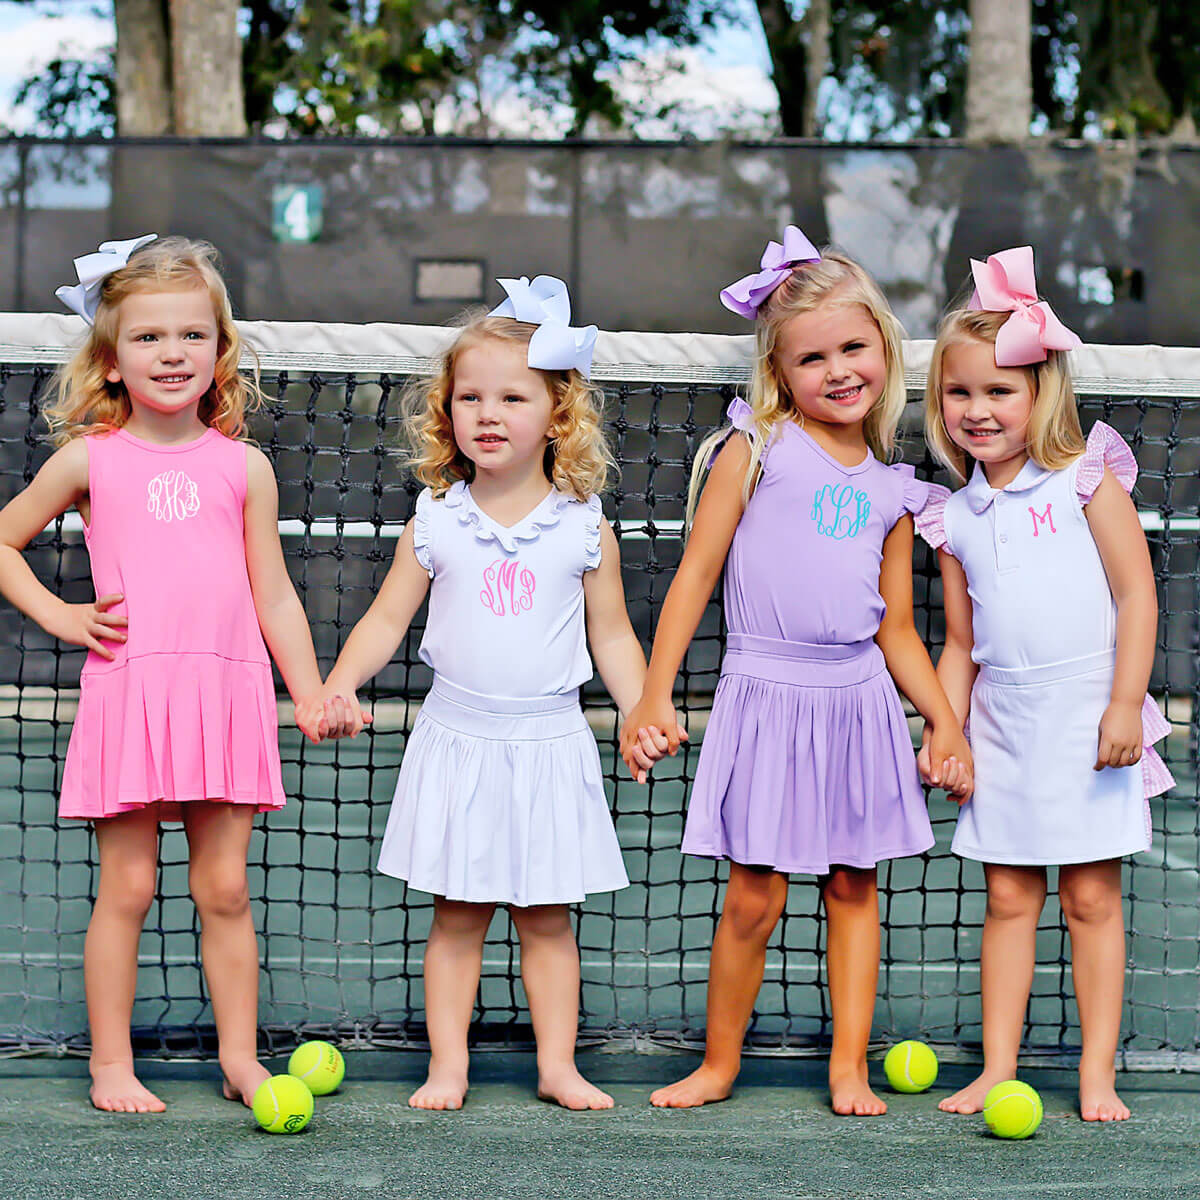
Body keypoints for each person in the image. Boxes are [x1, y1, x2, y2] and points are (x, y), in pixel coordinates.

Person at [620, 227, 972, 1114]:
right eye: (812, 358)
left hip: (858, 704)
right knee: (754, 897)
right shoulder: (757, 449)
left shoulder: (895, 489)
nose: (838, 370)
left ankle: (848, 1068)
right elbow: (695, 576)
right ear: (779, 372)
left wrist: (944, 720)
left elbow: (897, 629)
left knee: (854, 888)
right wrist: (654, 693)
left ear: (883, 349)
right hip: (764, 699)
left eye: (853, 348)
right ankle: (719, 1064)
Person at [319, 276, 672, 1111]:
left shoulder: (584, 525)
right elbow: (384, 620)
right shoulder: (435, 519)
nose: (488, 413)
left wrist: (641, 711)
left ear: (557, 414)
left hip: (550, 745)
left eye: (512, 397)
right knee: (457, 917)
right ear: (447, 413)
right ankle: (448, 1068)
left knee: (547, 919)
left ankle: (558, 1067)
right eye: (470, 396)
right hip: (457, 742)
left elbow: (613, 638)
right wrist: (337, 682)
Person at [0, 236, 326, 1113]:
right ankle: (111, 1065)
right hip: (130, 694)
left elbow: (275, 595)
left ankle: (240, 1061)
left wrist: (308, 691)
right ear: (111, 359)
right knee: (129, 888)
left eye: (191, 335)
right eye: (147, 337)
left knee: (225, 889)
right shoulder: (88, 459)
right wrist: (61, 615)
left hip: (225, 697)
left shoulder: (244, 467)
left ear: (219, 350)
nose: (172, 353)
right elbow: (2, 542)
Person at [916, 246, 1173, 1122]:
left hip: (1088, 717)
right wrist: (945, 730)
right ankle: (997, 1068)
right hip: (1003, 725)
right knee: (1007, 897)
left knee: (1091, 898)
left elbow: (1136, 595)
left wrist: (1124, 703)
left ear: (1040, 392)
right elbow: (960, 642)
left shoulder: (1084, 479)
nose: (978, 409)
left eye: (999, 390)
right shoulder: (951, 516)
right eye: (960, 392)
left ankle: (1097, 1074)